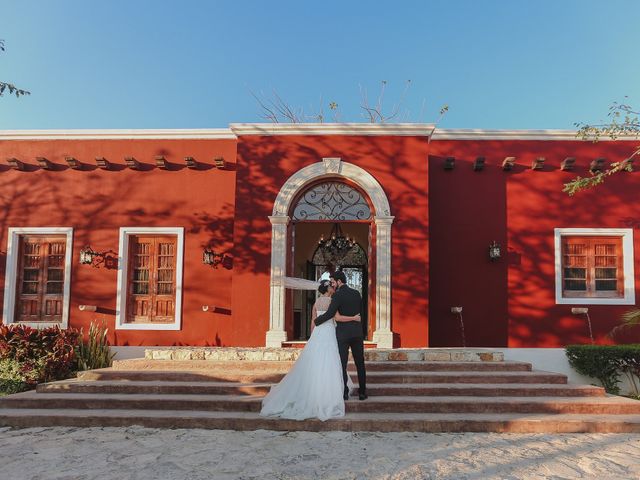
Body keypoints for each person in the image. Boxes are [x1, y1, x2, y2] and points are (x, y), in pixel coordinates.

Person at [259, 280, 360, 421]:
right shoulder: (332, 301)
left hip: (318, 333)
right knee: (329, 361)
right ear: (328, 289)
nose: (333, 288)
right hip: (329, 332)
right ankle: (327, 395)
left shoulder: (317, 303)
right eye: (332, 286)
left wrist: (312, 337)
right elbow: (337, 318)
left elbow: (313, 322)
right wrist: (354, 318)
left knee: (315, 360)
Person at [314, 270, 367, 401]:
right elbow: (363, 313)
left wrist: (317, 321)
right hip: (357, 333)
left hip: (343, 334)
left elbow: (331, 313)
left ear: (339, 281)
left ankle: (344, 392)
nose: (333, 284)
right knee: (360, 363)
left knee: (342, 364)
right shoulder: (356, 293)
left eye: (333, 282)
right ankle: (362, 392)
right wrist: (362, 330)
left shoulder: (337, 296)